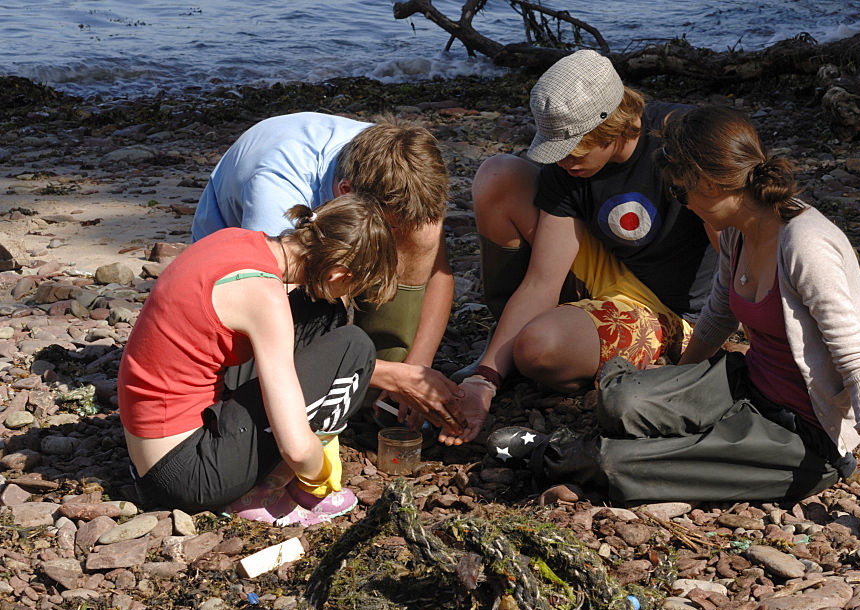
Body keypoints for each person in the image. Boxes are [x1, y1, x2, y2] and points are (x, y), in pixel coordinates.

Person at [486, 105, 860, 555]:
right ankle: (665, 432)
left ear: (712, 184)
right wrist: (670, 387)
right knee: (624, 399)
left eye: (681, 193)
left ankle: (556, 452)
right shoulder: (738, 230)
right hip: (749, 384)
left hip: (805, 436)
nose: (682, 203)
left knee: (621, 466)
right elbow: (718, 316)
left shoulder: (805, 246)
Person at [443, 49, 718, 445]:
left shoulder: (681, 139)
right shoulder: (566, 166)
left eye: (574, 148)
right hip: (607, 268)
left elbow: (736, 245)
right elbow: (541, 280)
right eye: (556, 148)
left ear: (613, 125)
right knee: (499, 175)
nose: (565, 161)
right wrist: (485, 378)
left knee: (538, 348)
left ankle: (549, 341)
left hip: (670, 310)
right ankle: (503, 347)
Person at [120, 195, 398, 525]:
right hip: (187, 476)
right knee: (354, 349)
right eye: (352, 286)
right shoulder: (264, 298)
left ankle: (262, 467)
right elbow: (296, 449)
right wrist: (317, 473)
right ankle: (268, 491)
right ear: (339, 273)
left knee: (320, 310)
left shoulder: (237, 239)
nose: (347, 296)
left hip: (153, 450)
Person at [192, 112, 463, 433]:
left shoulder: (398, 159)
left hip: (326, 239)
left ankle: (380, 384)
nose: (391, 243)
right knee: (272, 368)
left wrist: (417, 367)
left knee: (424, 230)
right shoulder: (278, 192)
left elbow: (439, 275)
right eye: (388, 228)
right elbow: (268, 331)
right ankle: (367, 376)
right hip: (239, 281)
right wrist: (389, 375)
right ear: (346, 193)